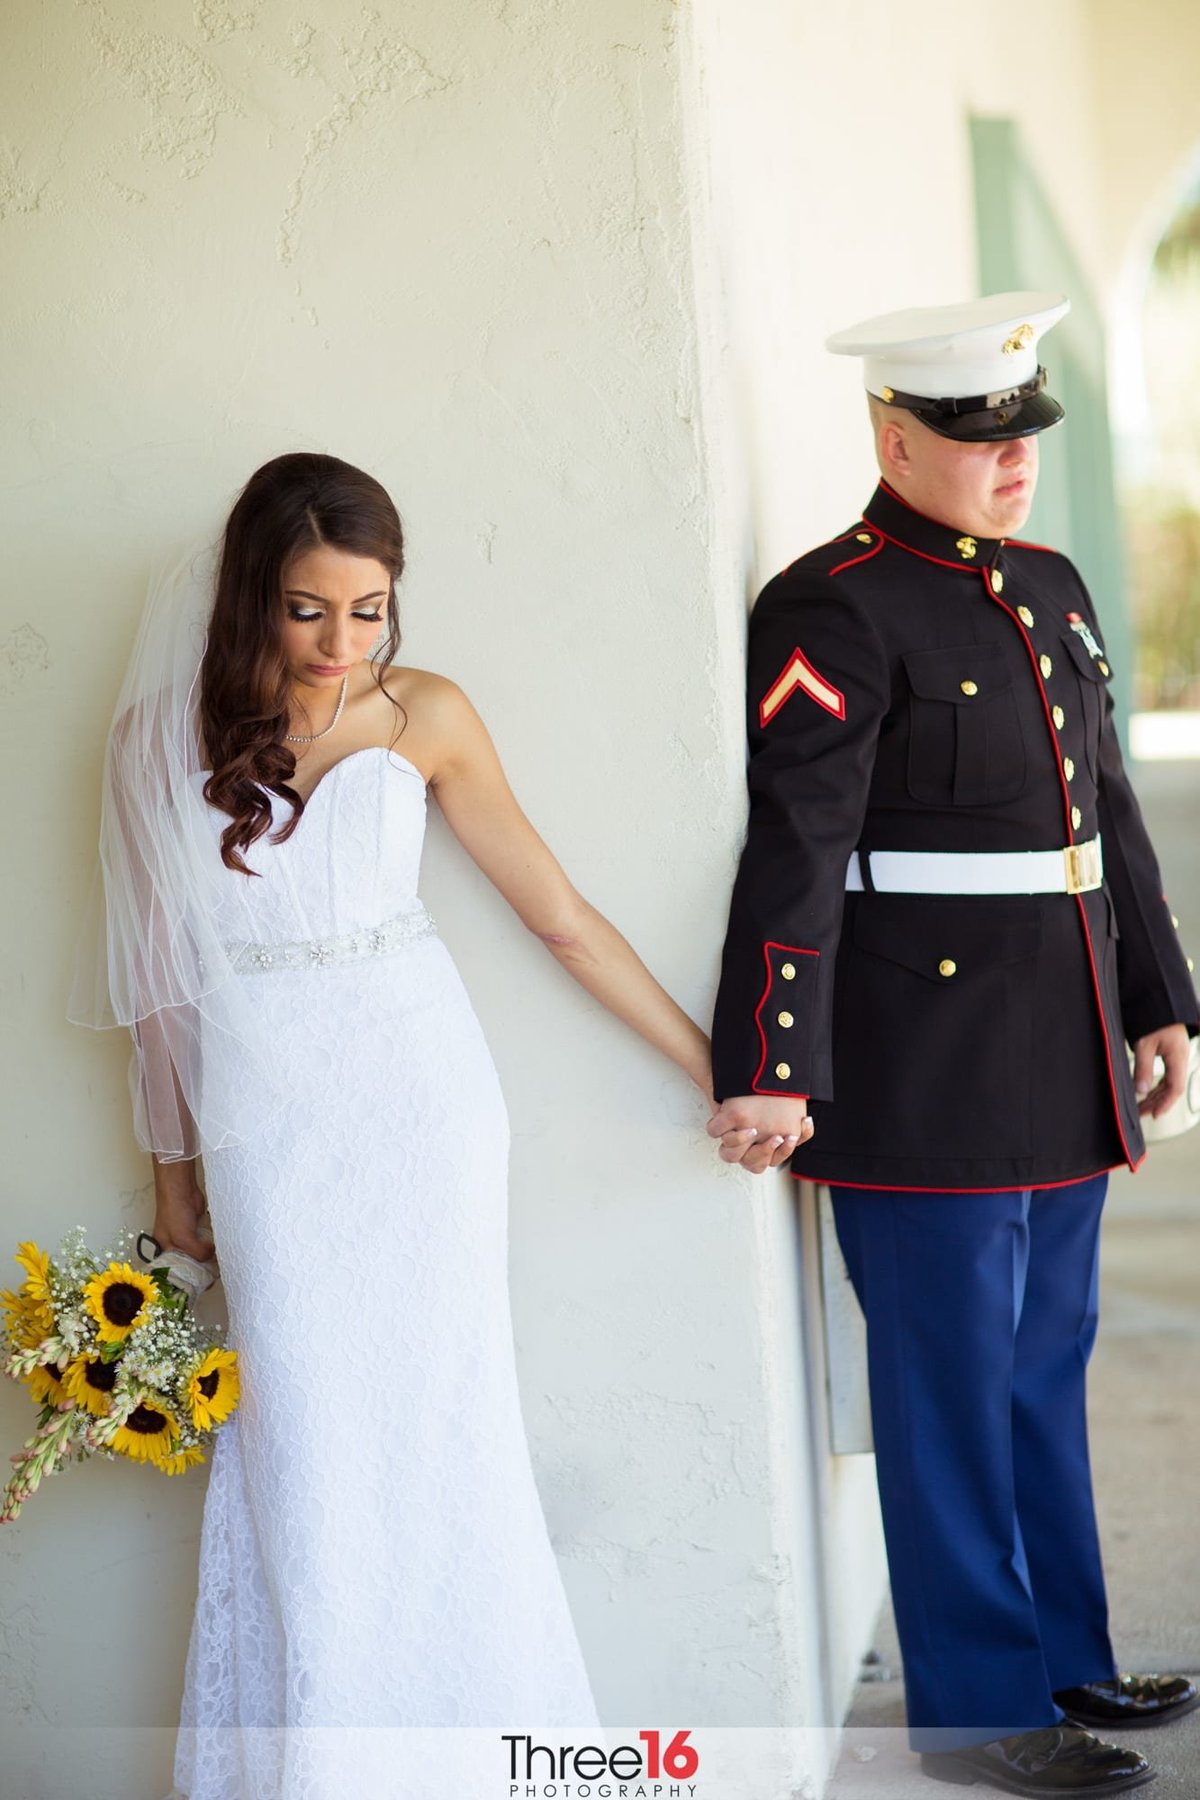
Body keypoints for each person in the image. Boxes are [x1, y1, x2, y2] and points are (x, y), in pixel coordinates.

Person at [70, 452, 713, 1800]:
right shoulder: (150, 741)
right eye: (309, 610)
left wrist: (711, 1066)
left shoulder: (429, 714)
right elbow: (161, 1001)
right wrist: (173, 1183)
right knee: (304, 1444)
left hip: (422, 1105)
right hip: (269, 1126)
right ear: (252, 593)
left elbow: (562, 917)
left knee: (446, 1421)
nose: (342, 645)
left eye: (369, 610)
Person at [706, 294, 1200, 1796]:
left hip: (1060, 1046)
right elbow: (799, 842)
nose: (1013, 467)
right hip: (918, 1066)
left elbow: (1104, 816)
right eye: (979, 442)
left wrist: (1161, 1001)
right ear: (893, 438)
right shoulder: (832, 607)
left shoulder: (1049, 587)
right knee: (949, 1388)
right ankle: (978, 1714)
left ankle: (1060, 1654)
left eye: (1024, 437)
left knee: (1047, 1365)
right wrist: (772, 1057)